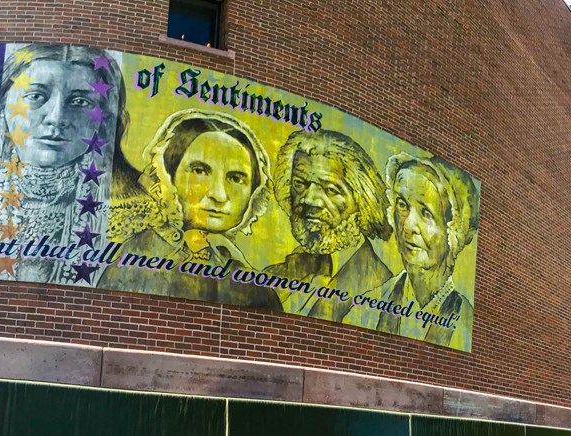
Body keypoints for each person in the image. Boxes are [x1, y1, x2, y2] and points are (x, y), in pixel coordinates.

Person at [98, 109, 281, 310]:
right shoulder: (140, 252)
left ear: (254, 192)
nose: (219, 195)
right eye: (199, 171)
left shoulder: (255, 287)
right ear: (169, 176)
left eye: (236, 178)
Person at [0, 44, 125, 284]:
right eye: (36, 96)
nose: (56, 119)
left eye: (80, 101)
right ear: (3, 105)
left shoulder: (132, 207)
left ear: (105, 116)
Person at [344, 154, 479, 350]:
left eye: (426, 213)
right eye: (402, 205)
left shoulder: (465, 320)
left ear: (455, 231)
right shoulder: (369, 304)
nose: (407, 225)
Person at [264, 130, 394, 321]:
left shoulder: (381, 286)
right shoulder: (274, 274)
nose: (309, 200)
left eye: (331, 190)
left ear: (362, 201)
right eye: (299, 184)